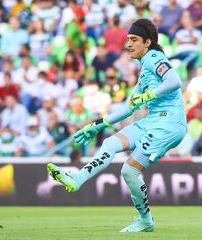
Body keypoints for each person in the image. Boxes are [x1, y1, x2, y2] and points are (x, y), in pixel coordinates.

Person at [47, 19, 187, 232]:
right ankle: (77, 178)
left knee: (129, 171)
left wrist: (151, 94)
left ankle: (146, 221)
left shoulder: (154, 57)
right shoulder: (144, 72)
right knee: (111, 143)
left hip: (169, 122)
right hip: (153, 120)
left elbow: (174, 80)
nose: (128, 44)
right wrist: (97, 125)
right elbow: (128, 107)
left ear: (147, 42)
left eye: (134, 39)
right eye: (128, 39)